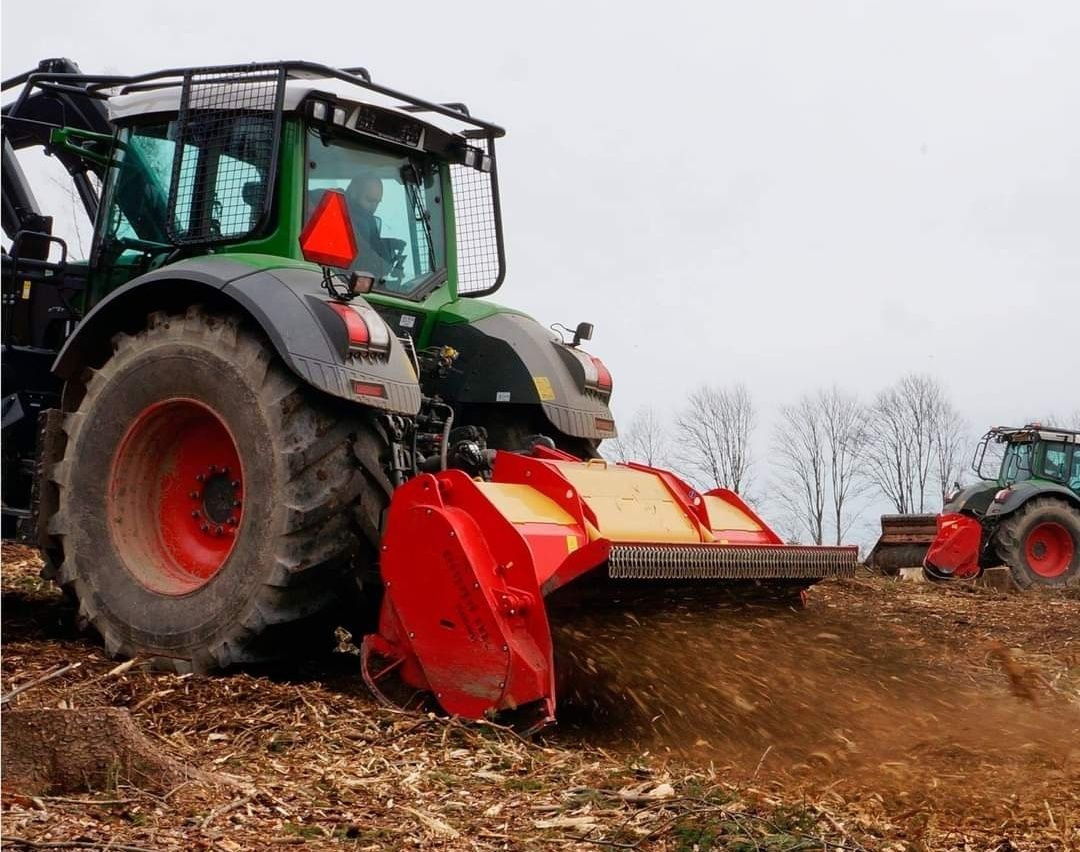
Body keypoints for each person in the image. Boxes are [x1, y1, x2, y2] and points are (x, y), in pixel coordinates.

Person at [345, 175, 402, 278]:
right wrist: (386, 265)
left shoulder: (366, 219)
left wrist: (388, 245)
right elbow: (363, 253)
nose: (373, 207)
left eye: (377, 202)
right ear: (353, 193)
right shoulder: (349, 217)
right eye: (369, 200)